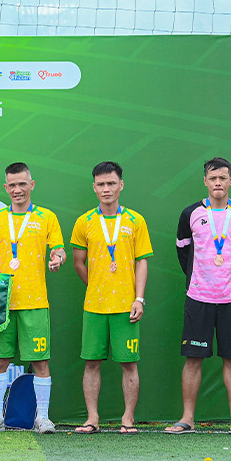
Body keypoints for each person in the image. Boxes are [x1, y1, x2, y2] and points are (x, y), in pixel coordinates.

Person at [165, 157, 231, 436]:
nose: (218, 183)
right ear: (205, 181)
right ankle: (187, 419)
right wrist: (201, 276)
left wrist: (227, 275)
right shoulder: (190, 214)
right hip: (198, 296)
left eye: (223, 178)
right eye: (213, 178)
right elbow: (183, 252)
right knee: (193, 359)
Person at [0, 161, 65, 433]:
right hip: (2, 303)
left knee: (40, 361)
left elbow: (59, 250)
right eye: (12, 185)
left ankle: (42, 418)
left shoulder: (47, 217)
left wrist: (57, 259)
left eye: (22, 184)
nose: (18, 189)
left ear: (32, 185)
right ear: (6, 187)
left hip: (35, 301)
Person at [70, 161, 153, 433]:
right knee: (91, 362)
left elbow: (142, 261)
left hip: (126, 306)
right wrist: (96, 285)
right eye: (101, 184)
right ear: (94, 187)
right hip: (94, 306)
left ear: (121, 185)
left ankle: (128, 418)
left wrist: (139, 299)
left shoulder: (136, 221)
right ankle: (92, 418)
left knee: (129, 363)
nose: (106, 189)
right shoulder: (84, 222)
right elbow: (78, 262)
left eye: (111, 183)